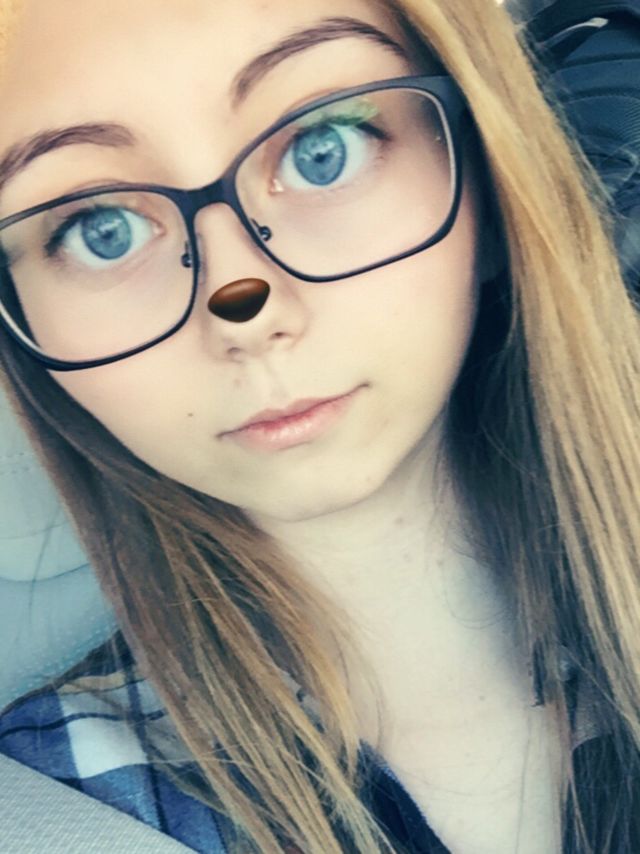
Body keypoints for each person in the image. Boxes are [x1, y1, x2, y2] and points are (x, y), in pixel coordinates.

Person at [0, 0, 638, 851]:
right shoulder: (63, 806)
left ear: (488, 176)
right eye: (100, 229)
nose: (244, 308)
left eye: (322, 148)